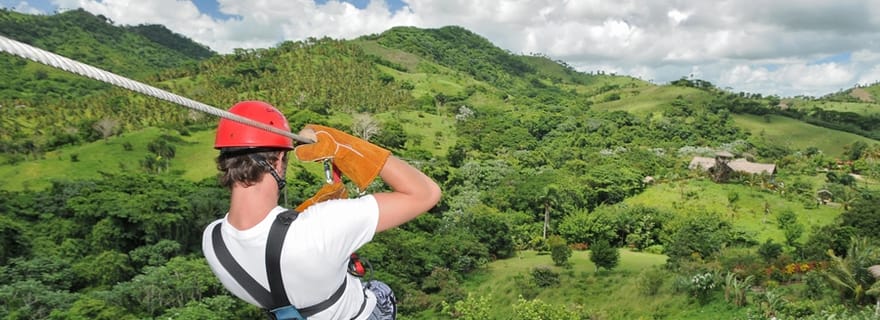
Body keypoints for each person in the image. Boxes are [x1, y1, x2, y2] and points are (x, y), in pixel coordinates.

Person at [201, 100, 441, 320]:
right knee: (382, 291)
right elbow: (426, 193)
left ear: (225, 160)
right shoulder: (325, 225)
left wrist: (308, 212)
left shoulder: (213, 240)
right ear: (277, 161)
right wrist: (342, 145)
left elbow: (272, 246)